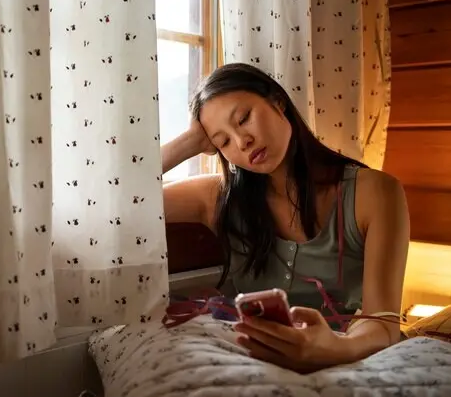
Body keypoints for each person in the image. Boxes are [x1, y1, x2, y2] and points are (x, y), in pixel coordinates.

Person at [161, 63, 410, 373]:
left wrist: (333, 348)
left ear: (278, 102)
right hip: (255, 363)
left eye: (244, 118)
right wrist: (190, 142)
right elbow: (120, 199)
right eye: (223, 141)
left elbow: (383, 323)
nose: (241, 141)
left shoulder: (375, 192)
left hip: (353, 359)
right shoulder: (218, 197)